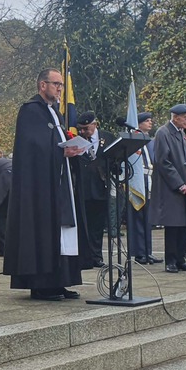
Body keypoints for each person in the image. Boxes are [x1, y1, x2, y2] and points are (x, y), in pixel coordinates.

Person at [3, 68, 85, 301]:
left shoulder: (55, 114)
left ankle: (60, 281)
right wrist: (60, 153)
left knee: (63, 229)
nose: (60, 89)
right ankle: (42, 284)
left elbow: (54, 141)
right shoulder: (30, 111)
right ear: (42, 85)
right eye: (56, 84)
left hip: (59, 179)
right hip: (40, 186)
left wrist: (72, 150)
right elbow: (32, 149)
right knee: (44, 230)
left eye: (61, 85)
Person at [151, 103, 186, 273]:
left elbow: (184, 158)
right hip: (172, 187)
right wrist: (178, 183)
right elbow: (163, 162)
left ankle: (180, 259)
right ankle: (170, 260)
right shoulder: (163, 133)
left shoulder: (181, 133)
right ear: (175, 117)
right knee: (173, 224)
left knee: (185, 224)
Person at [73, 111, 115, 267]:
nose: (83, 132)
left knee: (97, 226)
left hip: (100, 186)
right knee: (83, 225)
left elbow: (114, 159)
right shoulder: (76, 140)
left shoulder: (108, 137)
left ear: (95, 125)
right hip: (82, 188)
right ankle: (83, 258)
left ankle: (96, 257)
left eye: (86, 128)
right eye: (80, 129)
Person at [127, 112, 162, 265]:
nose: (150, 123)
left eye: (150, 120)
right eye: (147, 121)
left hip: (149, 178)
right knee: (138, 218)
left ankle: (148, 251)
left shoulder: (148, 140)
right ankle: (139, 252)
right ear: (138, 123)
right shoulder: (134, 137)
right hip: (138, 180)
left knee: (148, 218)